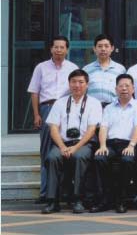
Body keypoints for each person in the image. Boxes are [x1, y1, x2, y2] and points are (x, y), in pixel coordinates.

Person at [41, 69, 102, 214]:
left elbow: (91, 130)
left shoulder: (94, 103)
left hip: (84, 143)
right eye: (74, 82)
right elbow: (53, 128)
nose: (77, 85)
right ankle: (52, 201)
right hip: (63, 143)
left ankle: (78, 200)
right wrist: (62, 147)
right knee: (53, 157)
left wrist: (75, 148)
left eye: (81, 82)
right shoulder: (59, 103)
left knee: (80, 156)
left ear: (87, 84)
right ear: (69, 84)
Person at [94, 73, 137, 213]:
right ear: (116, 89)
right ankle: (105, 199)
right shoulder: (109, 108)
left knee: (127, 160)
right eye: (121, 86)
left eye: (127, 86)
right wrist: (102, 145)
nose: (124, 89)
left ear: (133, 89)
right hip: (110, 144)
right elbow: (103, 128)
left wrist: (131, 146)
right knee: (99, 158)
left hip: (129, 144)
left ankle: (121, 200)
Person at [83, 34, 125, 106]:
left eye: (106, 46)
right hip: (92, 108)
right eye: (100, 46)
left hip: (113, 108)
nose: (103, 49)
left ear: (112, 48)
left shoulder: (120, 69)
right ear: (94, 49)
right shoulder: (86, 70)